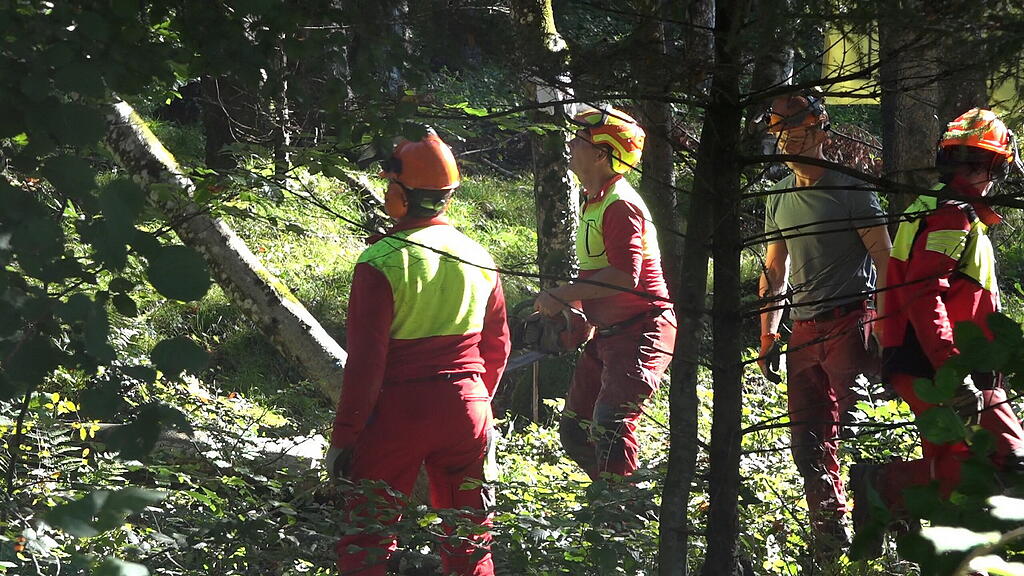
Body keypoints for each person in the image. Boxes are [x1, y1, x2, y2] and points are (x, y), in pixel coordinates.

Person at [327, 131, 511, 576]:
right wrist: (477, 402)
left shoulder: (381, 261)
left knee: (368, 536)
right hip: (468, 408)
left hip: (397, 412)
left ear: (399, 195)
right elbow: (498, 347)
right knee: (468, 537)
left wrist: (346, 436)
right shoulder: (479, 256)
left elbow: (366, 364)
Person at [850, 108, 1024, 556]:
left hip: (934, 360)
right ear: (994, 166)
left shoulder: (935, 207)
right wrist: (953, 371)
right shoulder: (952, 216)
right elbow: (924, 293)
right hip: (941, 364)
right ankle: (886, 488)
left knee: (955, 463)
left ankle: (893, 498)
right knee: (1007, 461)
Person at [757, 92, 891, 557]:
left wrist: (888, 330)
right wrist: (769, 334)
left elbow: (884, 258)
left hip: (852, 320)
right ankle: (830, 535)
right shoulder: (777, 197)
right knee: (807, 439)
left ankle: (881, 530)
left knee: (856, 426)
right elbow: (775, 271)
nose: (791, 138)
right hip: (803, 331)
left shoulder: (852, 188)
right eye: (782, 131)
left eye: (800, 129)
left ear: (820, 130)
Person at [534, 106, 675, 479]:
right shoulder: (595, 199)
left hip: (642, 330)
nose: (570, 144)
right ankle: (609, 502)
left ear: (601, 153)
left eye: (579, 140)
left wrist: (563, 294)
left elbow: (626, 276)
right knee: (575, 430)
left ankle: (622, 516)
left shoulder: (621, 205)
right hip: (610, 335)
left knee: (611, 423)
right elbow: (598, 272)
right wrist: (577, 309)